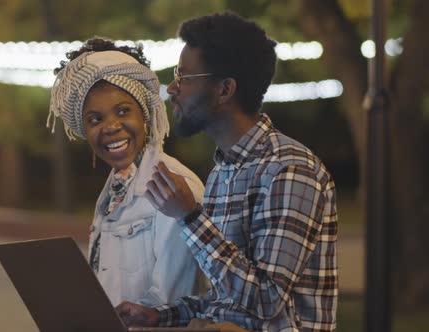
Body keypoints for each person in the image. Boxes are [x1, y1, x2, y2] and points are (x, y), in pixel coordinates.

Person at [116, 11, 338, 331]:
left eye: (184, 77)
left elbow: (265, 300)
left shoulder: (289, 170)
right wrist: (161, 315)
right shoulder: (225, 170)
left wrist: (190, 217)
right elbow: (229, 298)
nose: (172, 89)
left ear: (224, 90)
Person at [48, 38, 205, 307]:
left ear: (144, 114)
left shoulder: (174, 186)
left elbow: (173, 305)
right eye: (94, 119)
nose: (110, 127)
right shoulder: (113, 192)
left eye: (123, 111)